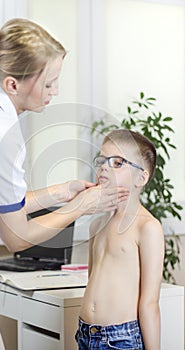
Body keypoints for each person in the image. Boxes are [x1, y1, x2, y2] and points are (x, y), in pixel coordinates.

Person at [0, 19, 129, 350]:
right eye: (48, 83)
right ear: (13, 84)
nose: (56, 91)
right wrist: (81, 206)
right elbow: (16, 236)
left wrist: (58, 193)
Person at [75, 129, 165, 350]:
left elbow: (149, 303)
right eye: (102, 160)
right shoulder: (97, 224)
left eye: (117, 163)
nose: (105, 166)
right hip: (86, 334)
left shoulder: (147, 227)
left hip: (120, 340)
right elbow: (92, 279)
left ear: (141, 178)